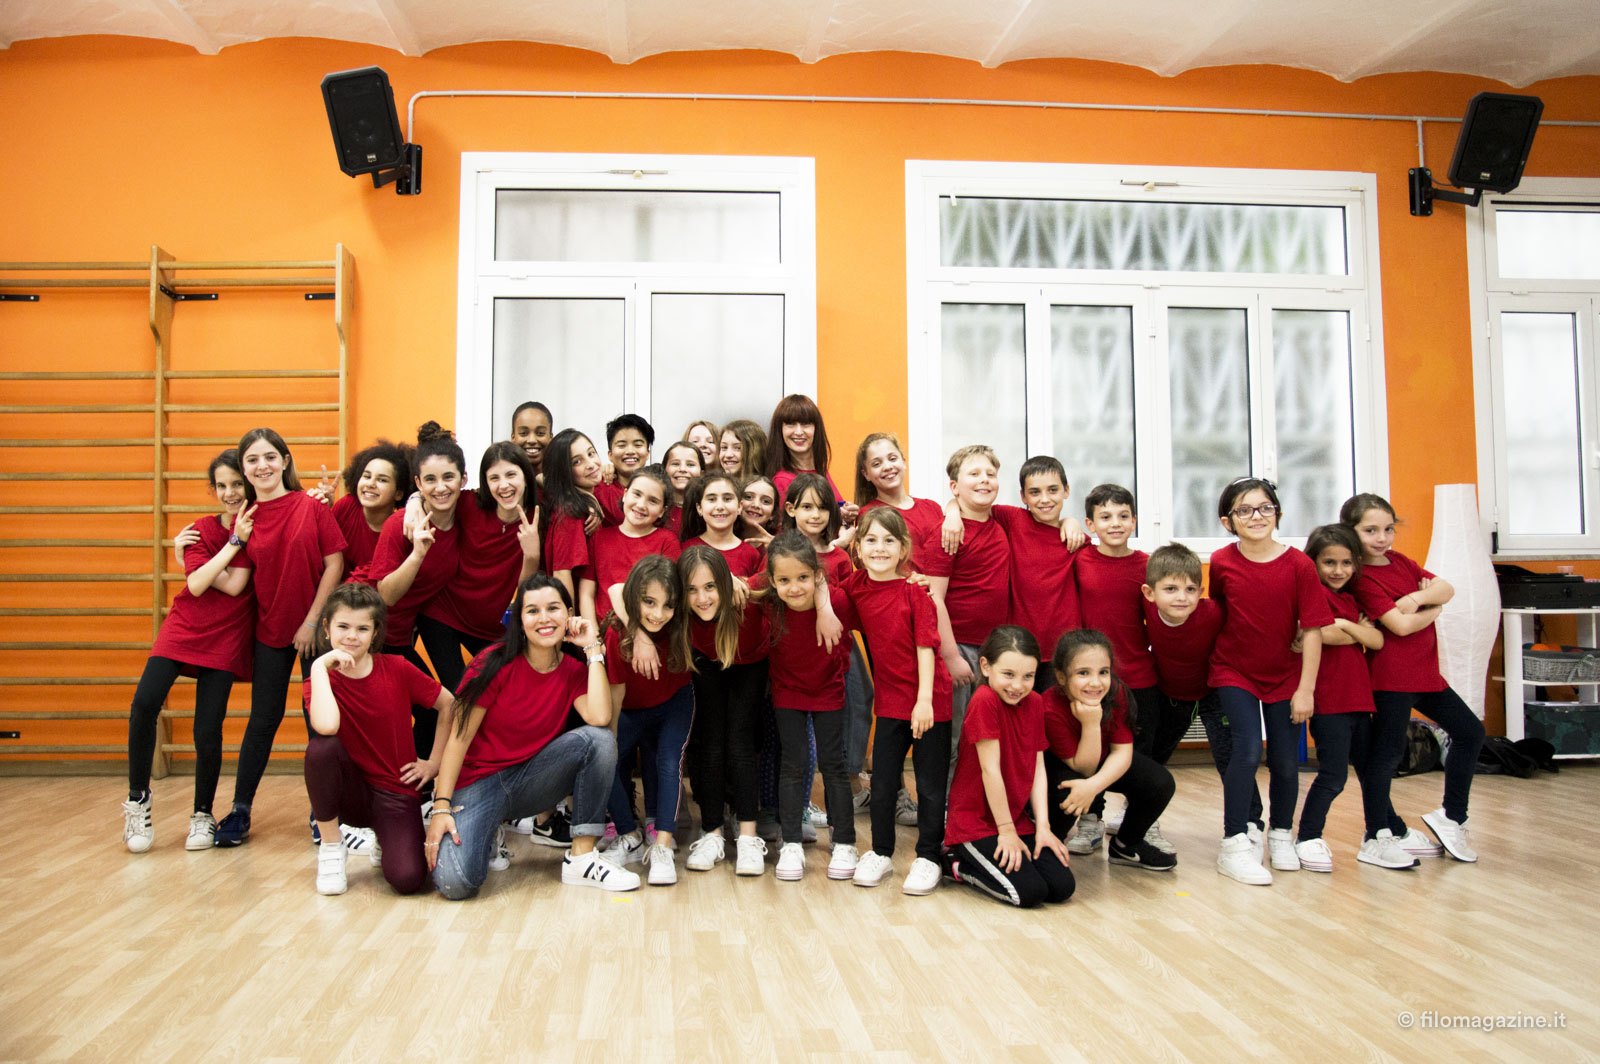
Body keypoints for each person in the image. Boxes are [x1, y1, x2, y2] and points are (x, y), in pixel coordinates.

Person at [428, 574, 638, 897]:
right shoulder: (492, 663)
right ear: (519, 620)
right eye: (532, 611)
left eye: (553, 608)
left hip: (530, 780)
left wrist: (593, 648)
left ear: (569, 615)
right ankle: (487, 832)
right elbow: (458, 739)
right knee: (455, 883)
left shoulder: (572, 671)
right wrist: (441, 806)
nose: (544, 619)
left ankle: (582, 858)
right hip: (478, 784)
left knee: (599, 740)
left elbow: (600, 718)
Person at [215, 428, 345, 847]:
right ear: (244, 468)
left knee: (318, 724)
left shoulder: (311, 505)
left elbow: (335, 564)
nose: (263, 466)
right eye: (252, 459)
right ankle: (239, 810)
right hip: (270, 631)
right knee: (262, 720)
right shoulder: (245, 518)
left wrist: (311, 622)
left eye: (270, 456)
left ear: (285, 461)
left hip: (313, 631)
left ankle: (323, 813)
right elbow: (235, 577)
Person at [122, 450, 255, 853]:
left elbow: (233, 586)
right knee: (144, 703)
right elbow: (196, 586)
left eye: (237, 484)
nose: (230, 493)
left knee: (207, 728)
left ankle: (202, 815)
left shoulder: (258, 528)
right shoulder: (201, 529)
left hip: (226, 633)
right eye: (221, 485)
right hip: (184, 626)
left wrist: (209, 561)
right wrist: (233, 544)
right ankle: (137, 802)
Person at [1343, 492, 1485, 863]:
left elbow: (1447, 588)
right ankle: (1376, 835)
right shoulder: (1360, 577)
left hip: (1426, 674)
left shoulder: (1402, 562)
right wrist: (1434, 609)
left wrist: (1416, 600)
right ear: (1351, 531)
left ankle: (1452, 817)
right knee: (1387, 756)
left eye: (1388, 529)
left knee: (1471, 732)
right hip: (1390, 677)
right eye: (1370, 530)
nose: (1382, 538)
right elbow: (1400, 627)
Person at [1209, 477, 1330, 885]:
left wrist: (1306, 690)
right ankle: (1234, 841)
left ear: (1278, 513)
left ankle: (1280, 834)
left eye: (1264, 508)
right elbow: (1220, 613)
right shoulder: (1221, 561)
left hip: (1286, 676)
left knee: (1284, 759)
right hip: (1234, 670)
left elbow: (1312, 629)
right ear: (1228, 521)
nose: (1256, 517)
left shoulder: (1299, 565)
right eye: (1244, 510)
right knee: (1245, 751)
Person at [302, 584, 456, 895]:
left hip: (395, 792)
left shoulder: (397, 668)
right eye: (343, 627)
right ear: (327, 628)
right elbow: (327, 726)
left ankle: (385, 840)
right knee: (321, 749)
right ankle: (331, 846)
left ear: (375, 633)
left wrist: (434, 763)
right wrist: (319, 665)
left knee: (408, 879)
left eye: (362, 628)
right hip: (349, 792)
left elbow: (448, 704)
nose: (351, 636)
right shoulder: (319, 680)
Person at [836, 508, 952, 895]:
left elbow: (926, 647)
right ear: (858, 547)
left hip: (929, 699)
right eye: (871, 540)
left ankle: (928, 857)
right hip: (889, 703)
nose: (880, 548)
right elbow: (825, 585)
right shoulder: (856, 586)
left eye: (889, 540)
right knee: (884, 783)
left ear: (903, 549)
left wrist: (924, 701)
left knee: (930, 785)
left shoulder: (915, 590)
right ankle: (881, 852)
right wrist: (838, 543)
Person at [1294, 524, 1414, 872]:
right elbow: (1319, 635)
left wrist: (1345, 625)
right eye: (1329, 562)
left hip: (1360, 701)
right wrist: (1355, 628)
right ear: (1313, 562)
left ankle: (1379, 834)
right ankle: (1308, 837)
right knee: (1333, 776)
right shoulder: (1311, 595)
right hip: (1329, 703)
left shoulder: (1349, 599)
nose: (1338, 571)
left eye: (1346, 563)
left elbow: (1376, 640)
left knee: (1371, 772)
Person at [1140, 542, 1260, 856]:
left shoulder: (1213, 613)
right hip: (1169, 695)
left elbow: (1252, 621)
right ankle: (1139, 817)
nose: (1181, 597)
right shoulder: (1146, 610)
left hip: (1213, 694)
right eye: (1171, 589)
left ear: (1201, 592)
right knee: (1153, 757)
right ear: (1150, 593)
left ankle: (1251, 823)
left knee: (1231, 758)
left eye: (1190, 589)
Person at [943, 625, 1074, 908]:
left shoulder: (1035, 702)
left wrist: (1044, 828)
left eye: (1028, 676)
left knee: (1061, 887)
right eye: (1008, 674)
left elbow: (1038, 768)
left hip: (1015, 819)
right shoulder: (984, 700)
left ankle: (1008, 844)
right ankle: (957, 865)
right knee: (1029, 893)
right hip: (976, 824)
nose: (1018, 686)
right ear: (985, 667)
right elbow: (991, 770)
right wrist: (1005, 831)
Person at [939, 455, 1086, 690]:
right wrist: (952, 513)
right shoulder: (1013, 519)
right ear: (1023, 496)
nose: (1044, 499)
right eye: (1035, 492)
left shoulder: (1076, 539)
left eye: (1053, 490)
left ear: (1066, 491)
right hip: (1017, 649)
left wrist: (1071, 521)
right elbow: (972, 502)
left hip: (1063, 651)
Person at [761, 531, 857, 882]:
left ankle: (844, 841)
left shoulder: (839, 601)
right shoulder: (767, 600)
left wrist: (825, 604)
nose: (794, 587)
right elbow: (737, 585)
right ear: (773, 581)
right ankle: (790, 843)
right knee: (793, 763)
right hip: (788, 690)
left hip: (828, 688)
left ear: (817, 576)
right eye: (784, 580)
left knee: (833, 765)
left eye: (803, 578)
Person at [365, 422, 464, 760]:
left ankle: (414, 780)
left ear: (463, 480)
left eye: (448, 477)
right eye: (430, 480)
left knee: (437, 710)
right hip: (373, 635)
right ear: (419, 484)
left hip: (403, 633)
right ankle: (402, 780)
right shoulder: (401, 525)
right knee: (426, 712)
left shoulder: (465, 514)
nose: (441, 487)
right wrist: (418, 553)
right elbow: (386, 596)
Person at [1042, 629, 1176, 872]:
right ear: (1061, 677)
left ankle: (1126, 845)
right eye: (1083, 673)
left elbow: (1122, 753)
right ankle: (1049, 846)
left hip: (1098, 760)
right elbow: (1084, 768)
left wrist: (1093, 787)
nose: (1096, 682)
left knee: (1160, 782)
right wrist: (1091, 724)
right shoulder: (1049, 706)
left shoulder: (1115, 691)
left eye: (1103, 672)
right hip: (1065, 767)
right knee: (1069, 796)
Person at [598, 556, 694, 885]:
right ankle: (629, 834)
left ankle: (663, 845)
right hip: (628, 709)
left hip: (673, 704)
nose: (658, 614)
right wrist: (611, 742)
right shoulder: (617, 633)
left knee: (668, 761)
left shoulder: (681, 625)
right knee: (604, 757)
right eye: (649, 602)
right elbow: (616, 697)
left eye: (668, 605)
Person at [678, 546, 772, 876]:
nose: (702, 598)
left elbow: (791, 568)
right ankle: (712, 833)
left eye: (710, 587)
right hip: (705, 660)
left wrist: (733, 579)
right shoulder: (682, 610)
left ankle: (748, 836)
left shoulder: (748, 596)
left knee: (740, 741)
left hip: (750, 661)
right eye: (692, 589)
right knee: (710, 742)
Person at [922, 445, 1011, 787]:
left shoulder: (1000, 522)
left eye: (990, 474)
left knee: (983, 737)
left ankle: (973, 802)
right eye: (974, 474)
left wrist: (952, 509)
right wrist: (951, 656)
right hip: (959, 648)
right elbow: (934, 598)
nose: (984, 480)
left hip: (994, 650)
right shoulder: (947, 534)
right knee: (955, 737)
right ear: (955, 486)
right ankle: (947, 808)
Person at [590, 465, 680, 621]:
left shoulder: (667, 541)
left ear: (662, 511)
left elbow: (668, 594)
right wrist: (593, 635)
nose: (641, 505)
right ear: (625, 494)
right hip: (604, 631)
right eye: (637, 494)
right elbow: (587, 593)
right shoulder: (599, 537)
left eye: (653, 501)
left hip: (649, 627)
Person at [539, 429, 606, 633]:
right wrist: (570, 625)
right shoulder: (569, 513)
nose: (591, 464)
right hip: (579, 622)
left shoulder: (587, 496)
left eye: (591, 453)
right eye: (577, 462)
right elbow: (561, 572)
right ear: (564, 471)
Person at [322, 440, 410, 577]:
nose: (370, 484)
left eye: (382, 480)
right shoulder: (347, 506)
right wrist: (322, 510)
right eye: (367, 476)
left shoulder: (401, 528)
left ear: (398, 493)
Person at [765, 394, 853, 519]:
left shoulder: (821, 471)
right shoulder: (782, 480)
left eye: (805, 424)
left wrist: (846, 516)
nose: (799, 432)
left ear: (816, 428)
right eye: (790, 424)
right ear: (780, 430)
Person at [680, 472, 766, 579]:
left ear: (739, 507)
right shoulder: (685, 549)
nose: (720, 506)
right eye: (712, 499)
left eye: (727, 499)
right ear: (699, 508)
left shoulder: (751, 554)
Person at [661, 440, 704, 535]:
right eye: (675, 464)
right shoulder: (657, 507)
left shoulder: (707, 509)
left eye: (690, 464)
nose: (682, 469)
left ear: (702, 472)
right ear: (664, 469)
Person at [510, 401, 553, 480]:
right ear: (513, 437)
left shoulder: (564, 480)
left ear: (551, 438)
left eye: (540, 433)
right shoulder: (504, 483)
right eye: (523, 433)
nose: (532, 440)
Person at [738, 473, 779, 545]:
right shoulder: (722, 536)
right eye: (748, 497)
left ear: (773, 514)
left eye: (765, 501)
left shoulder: (781, 543)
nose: (756, 505)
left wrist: (775, 549)